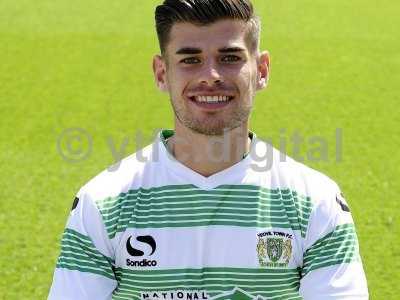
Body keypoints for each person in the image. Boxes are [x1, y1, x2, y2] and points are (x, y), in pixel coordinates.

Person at [48, 0, 369, 299]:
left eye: (229, 58)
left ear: (261, 70)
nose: (210, 76)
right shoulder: (103, 203)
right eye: (190, 60)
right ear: (162, 73)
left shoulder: (315, 202)